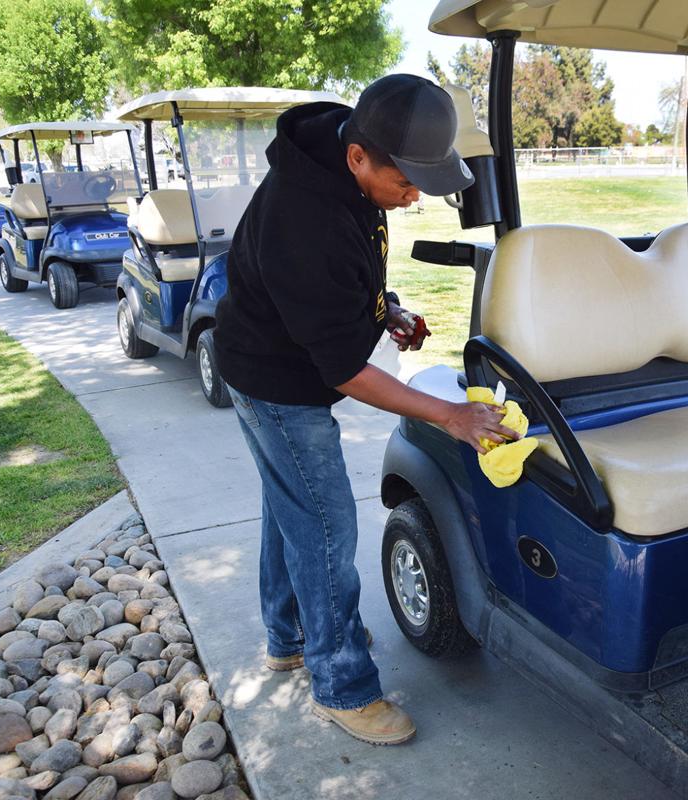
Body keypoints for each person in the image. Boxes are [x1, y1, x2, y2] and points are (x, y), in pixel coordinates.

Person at [213, 75, 517, 746]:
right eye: (407, 183)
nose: (413, 198)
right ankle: (342, 685)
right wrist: (450, 415)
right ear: (360, 158)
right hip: (274, 380)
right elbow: (348, 372)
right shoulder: (306, 219)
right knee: (325, 527)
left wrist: (387, 310)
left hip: (280, 354)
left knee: (291, 507)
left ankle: (290, 638)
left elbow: (347, 277)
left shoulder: (343, 160)